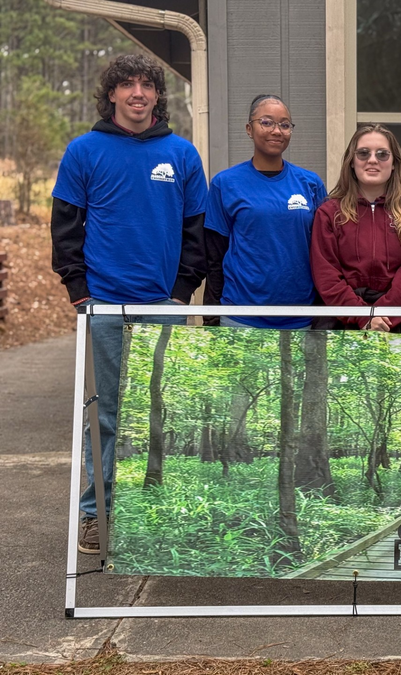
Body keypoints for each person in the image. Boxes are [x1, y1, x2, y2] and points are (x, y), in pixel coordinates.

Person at [50, 54, 207, 554]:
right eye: (127, 85)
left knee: (161, 412)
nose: (138, 93)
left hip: (163, 303)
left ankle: (152, 511)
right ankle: (96, 513)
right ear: (112, 94)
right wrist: (81, 292)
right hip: (103, 304)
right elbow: (65, 228)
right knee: (105, 414)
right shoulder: (84, 151)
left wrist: (180, 293)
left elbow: (197, 234)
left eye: (147, 85)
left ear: (158, 95)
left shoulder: (182, 154)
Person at [204, 94, 327, 329]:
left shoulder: (311, 184)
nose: (277, 131)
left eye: (284, 125)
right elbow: (214, 257)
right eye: (267, 122)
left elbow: (325, 253)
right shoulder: (225, 183)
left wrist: (322, 313)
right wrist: (211, 316)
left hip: (300, 318)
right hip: (241, 318)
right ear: (249, 129)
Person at [310, 124, 401, 332]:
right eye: (363, 153)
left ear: (394, 164)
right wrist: (363, 317)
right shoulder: (329, 213)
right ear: (352, 162)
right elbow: (326, 275)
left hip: (399, 322)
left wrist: (382, 316)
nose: (373, 160)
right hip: (342, 322)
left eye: (382, 154)